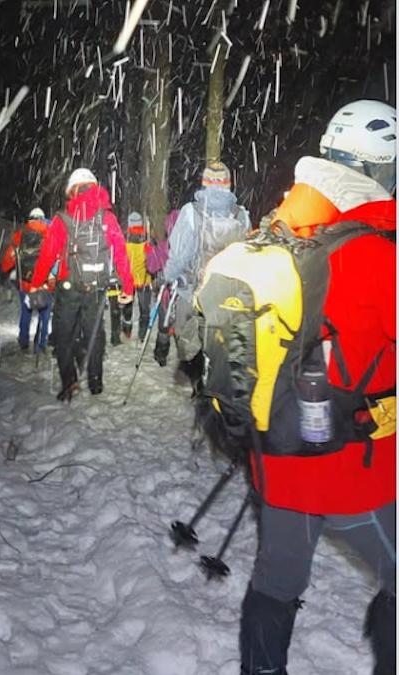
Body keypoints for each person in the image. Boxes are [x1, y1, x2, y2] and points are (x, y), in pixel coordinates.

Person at [198, 100, 396, 674]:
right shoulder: (376, 254)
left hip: (278, 459)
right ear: (382, 169)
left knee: (276, 583)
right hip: (355, 473)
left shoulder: (278, 229)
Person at [28, 169, 134, 401]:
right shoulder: (107, 217)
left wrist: (35, 284)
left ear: (72, 190)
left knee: (63, 334)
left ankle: (70, 382)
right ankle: (96, 381)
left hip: (68, 285)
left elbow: (47, 255)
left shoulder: (62, 218)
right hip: (96, 287)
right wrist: (128, 286)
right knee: (95, 333)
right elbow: (121, 253)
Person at [157, 162, 250, 378]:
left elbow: (179, 255)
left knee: (190, 341)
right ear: (228, 184)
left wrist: (166, 276)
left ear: (204, 183)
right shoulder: (241, 215)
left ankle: (197, 381)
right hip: (229, 296)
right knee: (221, 346)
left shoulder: (191, 212)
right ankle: (217, 380)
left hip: (194, 292)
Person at [0, 207, 54, 353]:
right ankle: (41, 344)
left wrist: (3, 270)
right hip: (44, 283)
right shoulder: (50, 233)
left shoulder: (20, 234)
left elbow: (10, 257)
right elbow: (56, 257)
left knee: (26, 311)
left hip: (25, 282)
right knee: (45, 313)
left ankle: (23, 341)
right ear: (42, 218)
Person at [123, 212, 154, 342]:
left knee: (128, 307)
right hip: (142, 279)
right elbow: (152, 261)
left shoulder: (125, 239)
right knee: (144, 310)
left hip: (131, 279)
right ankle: (142, 334)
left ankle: (128, 329)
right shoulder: (147, 240)